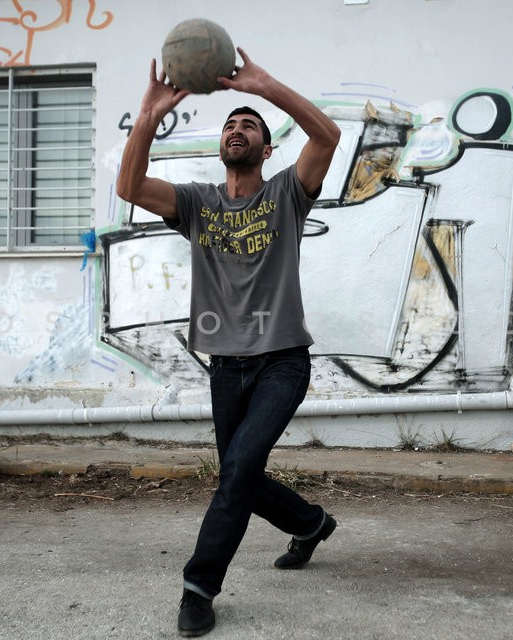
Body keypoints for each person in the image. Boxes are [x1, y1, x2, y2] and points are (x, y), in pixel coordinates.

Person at [116, 47, 341, 637]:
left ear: (267, 150)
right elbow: (130, 185)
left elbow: (328, 134)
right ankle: (311, 523)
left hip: (282, 361)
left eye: (250, 126)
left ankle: (198, 587)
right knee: (238, 476)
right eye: (230, 124)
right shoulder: (196, 203)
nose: (237, 129)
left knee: (238, 467)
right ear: (222, 145)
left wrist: (265, 86)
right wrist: (149, 114)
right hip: (225, 367)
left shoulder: (288, 194)